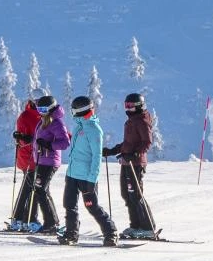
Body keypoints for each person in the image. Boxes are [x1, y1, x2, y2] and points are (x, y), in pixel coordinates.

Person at [59, 95, 116, 246]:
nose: (72, 113)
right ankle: (71, 234)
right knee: (69, 205)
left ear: (80, 110)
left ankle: (111, 233)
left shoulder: (94, 129)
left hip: (86, 177)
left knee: (92, 206)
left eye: (73, 110)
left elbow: (97, 157)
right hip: (72, 174)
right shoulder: (78, 126)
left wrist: (92, 180)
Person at [103, 92, 158, 239]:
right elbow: (127, 144)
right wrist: (111, 151)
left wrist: (135, 154)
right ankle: (136, 226)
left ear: (139, 106)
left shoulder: (141, 120)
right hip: (127, 163)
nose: (127, 109)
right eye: (126, 106)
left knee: (136, 195)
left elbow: (147, 142)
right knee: (127, 195)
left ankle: (148, 228)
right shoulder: (131, 121)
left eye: (131, 106)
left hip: (136, 164)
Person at [29, 95, 69, 236]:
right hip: (41, 160)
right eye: (39, 109)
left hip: (50, 161)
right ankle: (52, 222)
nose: (41, 112)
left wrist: (49, 145)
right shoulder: (43, 121)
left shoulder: (56, 123)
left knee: (40, 190)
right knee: (42, 190)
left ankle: (50, 224)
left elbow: (65, 143)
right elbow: (39, 139)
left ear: (51, 108)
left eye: (44, 109)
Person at [7, 95, 47, 231]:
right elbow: (22, 139)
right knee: (31, 188)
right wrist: (25, 138)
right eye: (38, 101)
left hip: (37, 157)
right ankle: (25, 220)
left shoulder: (42, 116)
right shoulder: (25, 116)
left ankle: (21, 219)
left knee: (29, 188)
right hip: (29, 158)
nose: (40, 104)